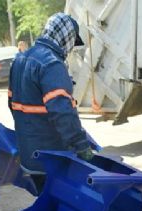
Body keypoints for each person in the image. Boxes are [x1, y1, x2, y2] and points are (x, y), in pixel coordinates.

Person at [8, 12, 92, 176]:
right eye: (71, 42)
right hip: (51, 155)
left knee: (45, 196)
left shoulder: (20, 59)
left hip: (28, 153)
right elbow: (63, 112)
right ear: (65, 37)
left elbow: (12, 104)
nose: (70, 48)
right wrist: (81, 145)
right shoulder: (52, 64)